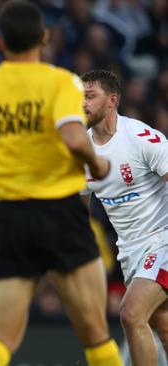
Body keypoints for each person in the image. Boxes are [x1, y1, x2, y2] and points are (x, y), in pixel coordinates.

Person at [0, 1, 122, 366]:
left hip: (10, 219)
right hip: (62, 215)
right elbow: (73, 138)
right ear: (44, 37)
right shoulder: (60, 81)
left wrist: (0, 145)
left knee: (3, 339)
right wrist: (97, 163)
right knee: (96, 335)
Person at [81, 69, 168, 365]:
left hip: (163, 238)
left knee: (131, 314)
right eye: (80, 97)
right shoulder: (81, 153)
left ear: (112, 100)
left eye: (90, 96)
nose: (83, 104)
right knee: (163, 325)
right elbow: (79, 211)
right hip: (130, 250)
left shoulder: (143, 139)